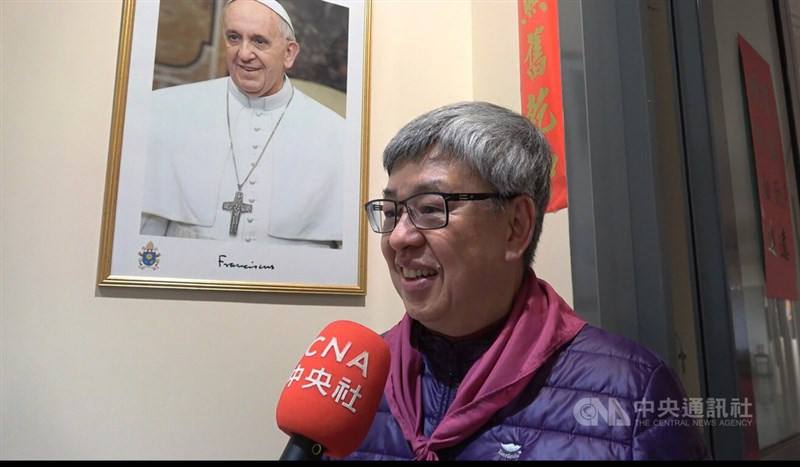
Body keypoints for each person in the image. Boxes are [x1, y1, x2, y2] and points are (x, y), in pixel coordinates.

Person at [347, 102, 708, 460]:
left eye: (429, 208)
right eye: (392, 212)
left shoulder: (633, 392)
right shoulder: (353, 377)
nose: (398, 238)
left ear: (516, 226)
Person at [140, 0, 344, 248]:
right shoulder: (168, 111)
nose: (244, 54)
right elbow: (143, 239)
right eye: (234, 38)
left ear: (289, 53)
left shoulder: (337, 135)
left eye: (259, 41)